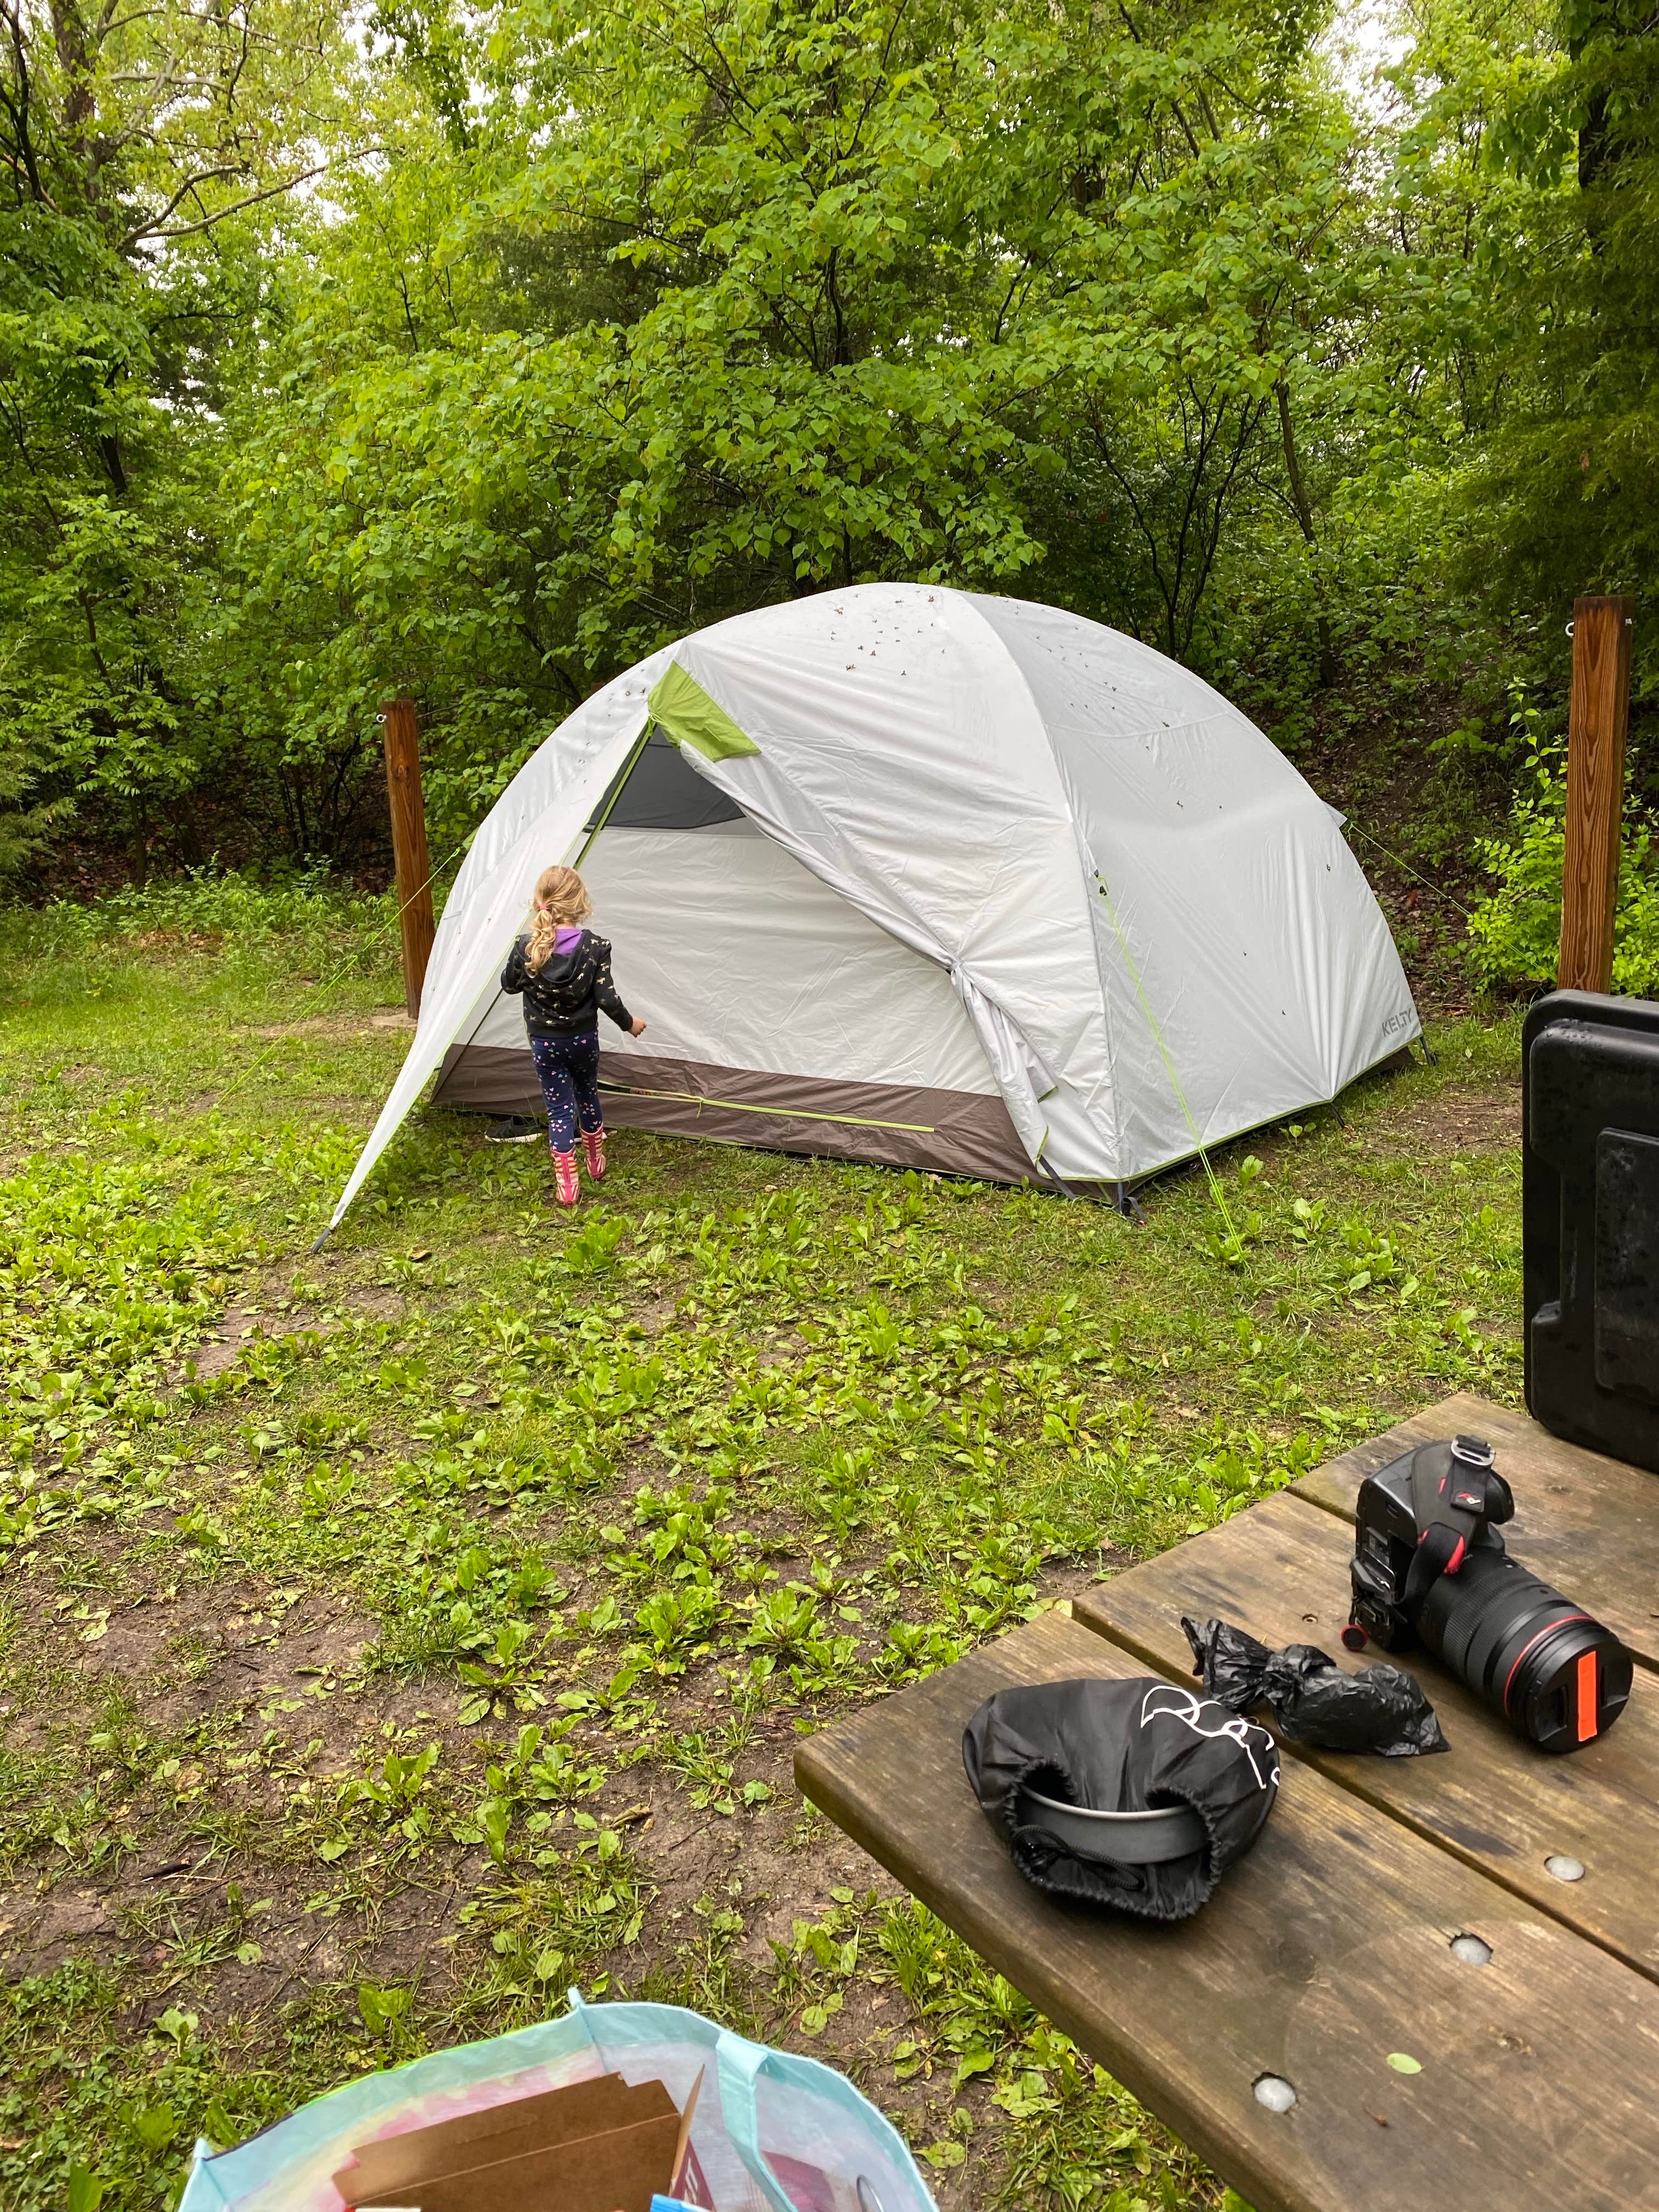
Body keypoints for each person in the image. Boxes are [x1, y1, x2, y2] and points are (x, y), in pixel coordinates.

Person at [499, 865, 645, 1206]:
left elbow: (508, 985)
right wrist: (630, 1024)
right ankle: (595, 1163)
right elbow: (606, 998)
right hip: (583, 1042)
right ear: (580, 903)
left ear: (540, 902)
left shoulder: (526, 947)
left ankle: (568, 1186)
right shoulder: (596, 946)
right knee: (587, 1093)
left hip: (544, 1046)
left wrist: (527, 960)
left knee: (559, 1110)